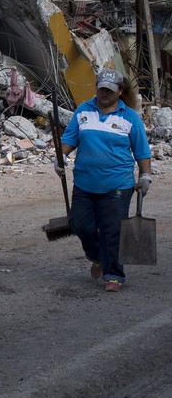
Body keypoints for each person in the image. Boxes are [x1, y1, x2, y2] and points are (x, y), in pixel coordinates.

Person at [58, 69, 152, 293]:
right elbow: (70, 138)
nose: (105, 94)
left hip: (118, 183)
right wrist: (61, 156)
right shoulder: (83, 111)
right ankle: (96, 255)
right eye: (102, 89)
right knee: (80, 224)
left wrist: (145, 175)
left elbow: (141, 150)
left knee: (112, 230)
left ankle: (113, 273)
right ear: (97, 88)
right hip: (84, 182)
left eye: (110, 90)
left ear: (120, 91)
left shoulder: (129, 117)